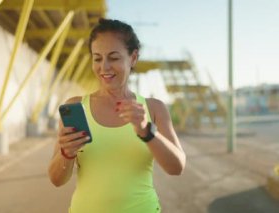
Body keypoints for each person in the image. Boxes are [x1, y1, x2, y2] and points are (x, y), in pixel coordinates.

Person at [48, 18, 186, 213]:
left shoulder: (153, 108)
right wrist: (66, 153)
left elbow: (177, 167)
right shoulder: (76, 107)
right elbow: (56, 180)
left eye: (113, 58)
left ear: (133, 58)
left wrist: (147, 132)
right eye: (97, 58)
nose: (104, 67)